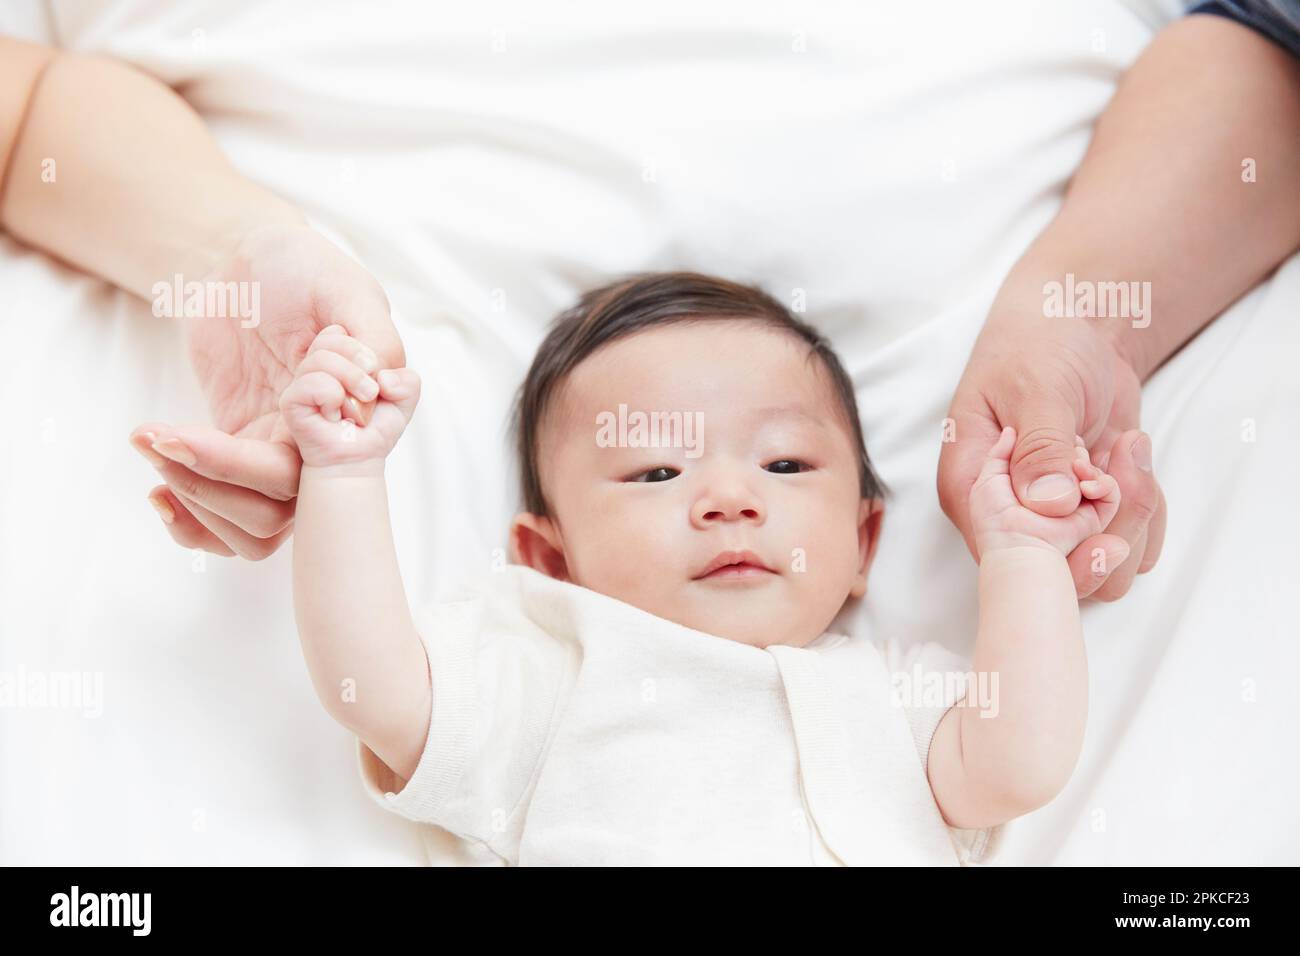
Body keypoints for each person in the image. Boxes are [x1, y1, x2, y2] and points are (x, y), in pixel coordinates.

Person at [282, 272, 1124, 865]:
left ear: (863, 544)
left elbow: (1020, 766)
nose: (728, 497)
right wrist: (346, 476)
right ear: (551, 558)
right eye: (656, 472)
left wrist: (1021, 556)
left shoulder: (892, 700)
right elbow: (376, 688)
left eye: (786, 465)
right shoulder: (553, 670)